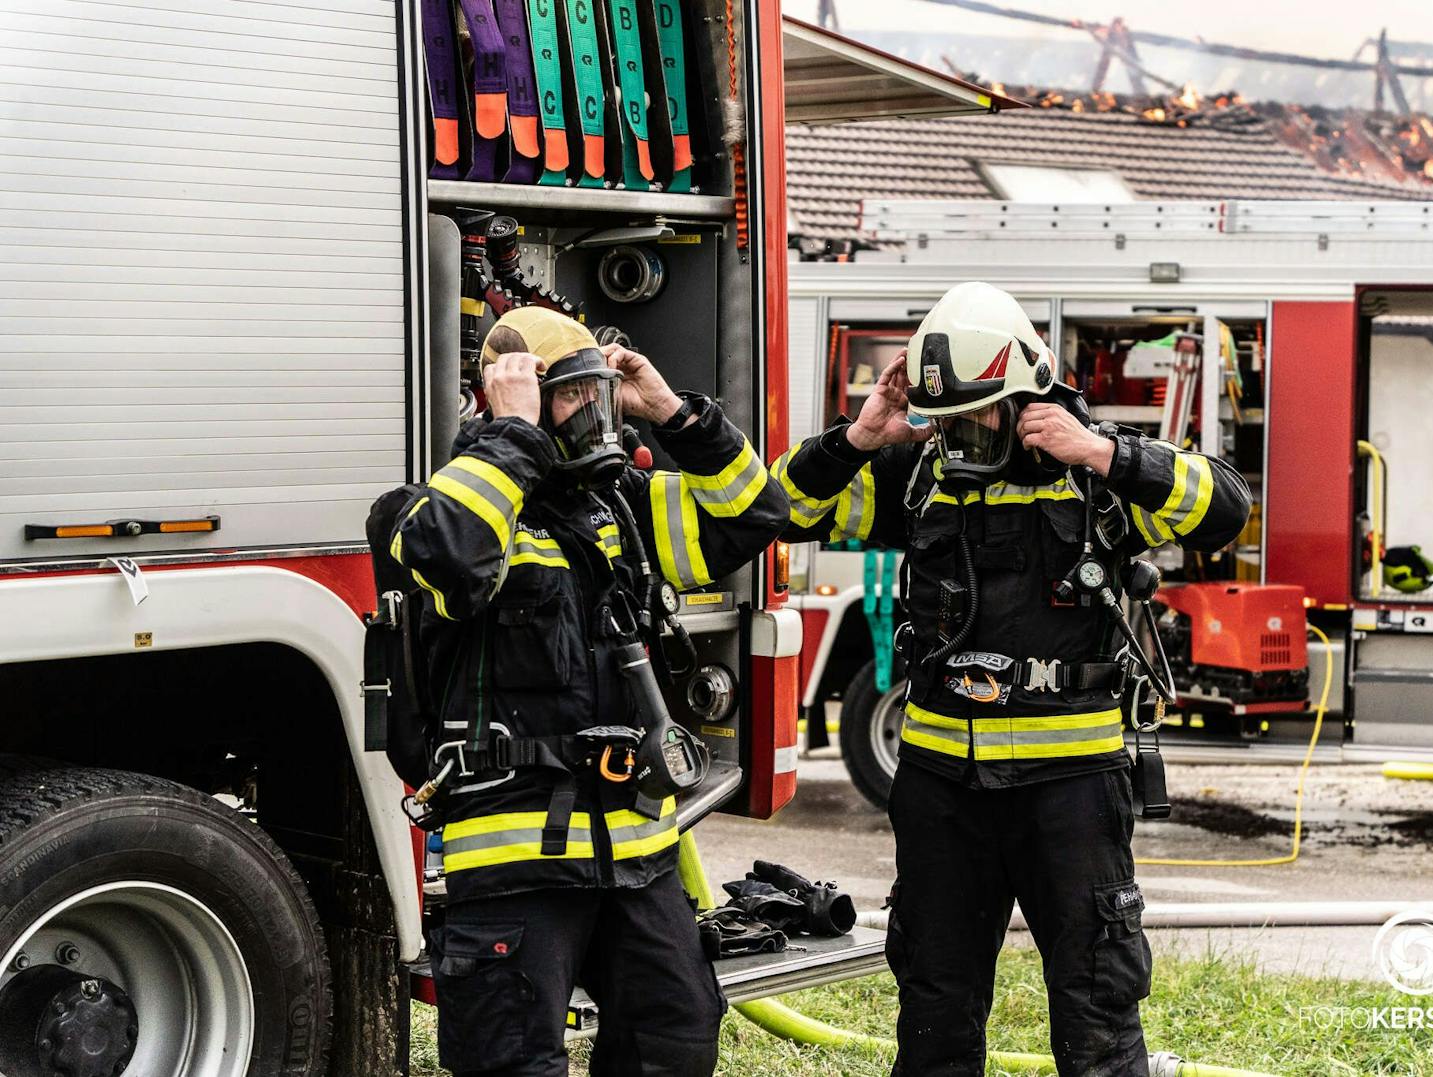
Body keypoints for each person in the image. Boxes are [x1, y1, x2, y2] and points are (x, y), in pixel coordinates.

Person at [771, 282, 1252, 1075]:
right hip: (941, 790)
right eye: (949, 419)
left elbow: (1224, 507)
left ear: (1026, 394)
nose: (962, 436)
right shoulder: (919, 476)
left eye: (978, 414)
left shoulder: (1093, 474)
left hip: (1070, 789)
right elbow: (779, 508)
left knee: (1096, 1007)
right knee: (934, 1007)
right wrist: (857, 438)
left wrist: (1103, 452)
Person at [392, 306, 788, 1076]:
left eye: (598, 395)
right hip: (518, 864)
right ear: (516, 395)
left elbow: (755, 511)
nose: (594, 416)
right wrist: (513, 435)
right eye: (574, 396)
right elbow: (453, 557)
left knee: (676, 1039)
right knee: (513, 1060)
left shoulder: (617, 515)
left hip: (637, 857)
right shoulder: (434, 509)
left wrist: (672, 411)